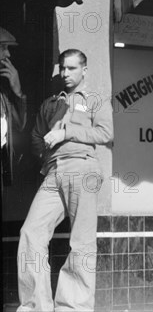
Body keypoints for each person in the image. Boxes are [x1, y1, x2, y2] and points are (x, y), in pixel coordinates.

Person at [18, 49, 113, 311]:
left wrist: (66, 132)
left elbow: (105, 133)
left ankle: (74, 306)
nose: (66, 73)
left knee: (81, 241)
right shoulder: (51, 103)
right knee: (31, 233)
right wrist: (45, 152)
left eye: (72, 68)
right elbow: (36, 136)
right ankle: (36, 305)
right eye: (63, 68)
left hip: (82, 168)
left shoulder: (95, 99)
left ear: (84, 70)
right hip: (53, 171)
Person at [0, 27, 27, 189]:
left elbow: (19, 125)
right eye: (3, 48)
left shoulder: (3, 91)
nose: (8, 54)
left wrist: (17, 91)